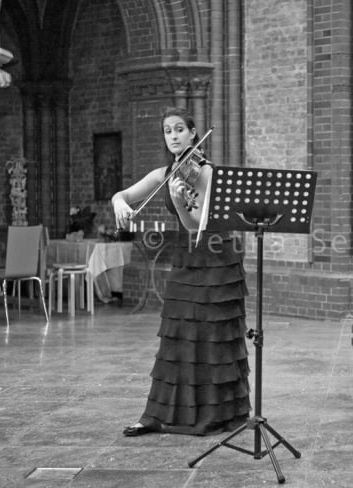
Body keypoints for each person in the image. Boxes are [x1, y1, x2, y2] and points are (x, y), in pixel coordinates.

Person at [111, 107, 251, 436]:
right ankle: (157, 416)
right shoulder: (166, 173)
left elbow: (196, 226)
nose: (173, 136)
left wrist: (178, 204)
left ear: (193, 133)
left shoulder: (206, 173)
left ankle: (216, 414)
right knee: (176, 338)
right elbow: (126, 194)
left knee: (211, 340)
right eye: (167, 131)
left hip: (216, 260)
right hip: (186, 260)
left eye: (179, 130)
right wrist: (119, 201)